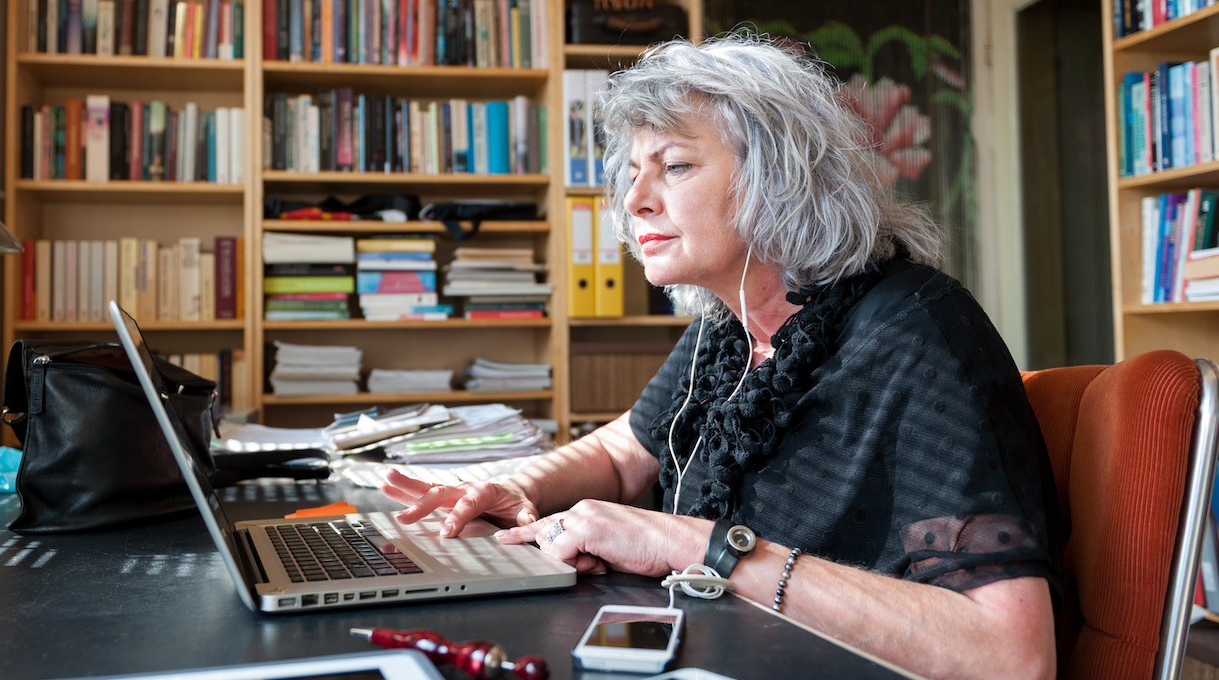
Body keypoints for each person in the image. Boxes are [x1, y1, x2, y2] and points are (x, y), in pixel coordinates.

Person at [382, 35, 1062, 680]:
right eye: (634, 172)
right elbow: (626, 453)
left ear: (780, 177)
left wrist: (697, 547)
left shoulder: (919, 331)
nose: (635, 200)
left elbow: (1010, 656)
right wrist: (521, 486)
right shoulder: (730, 326)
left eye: (674, 166)